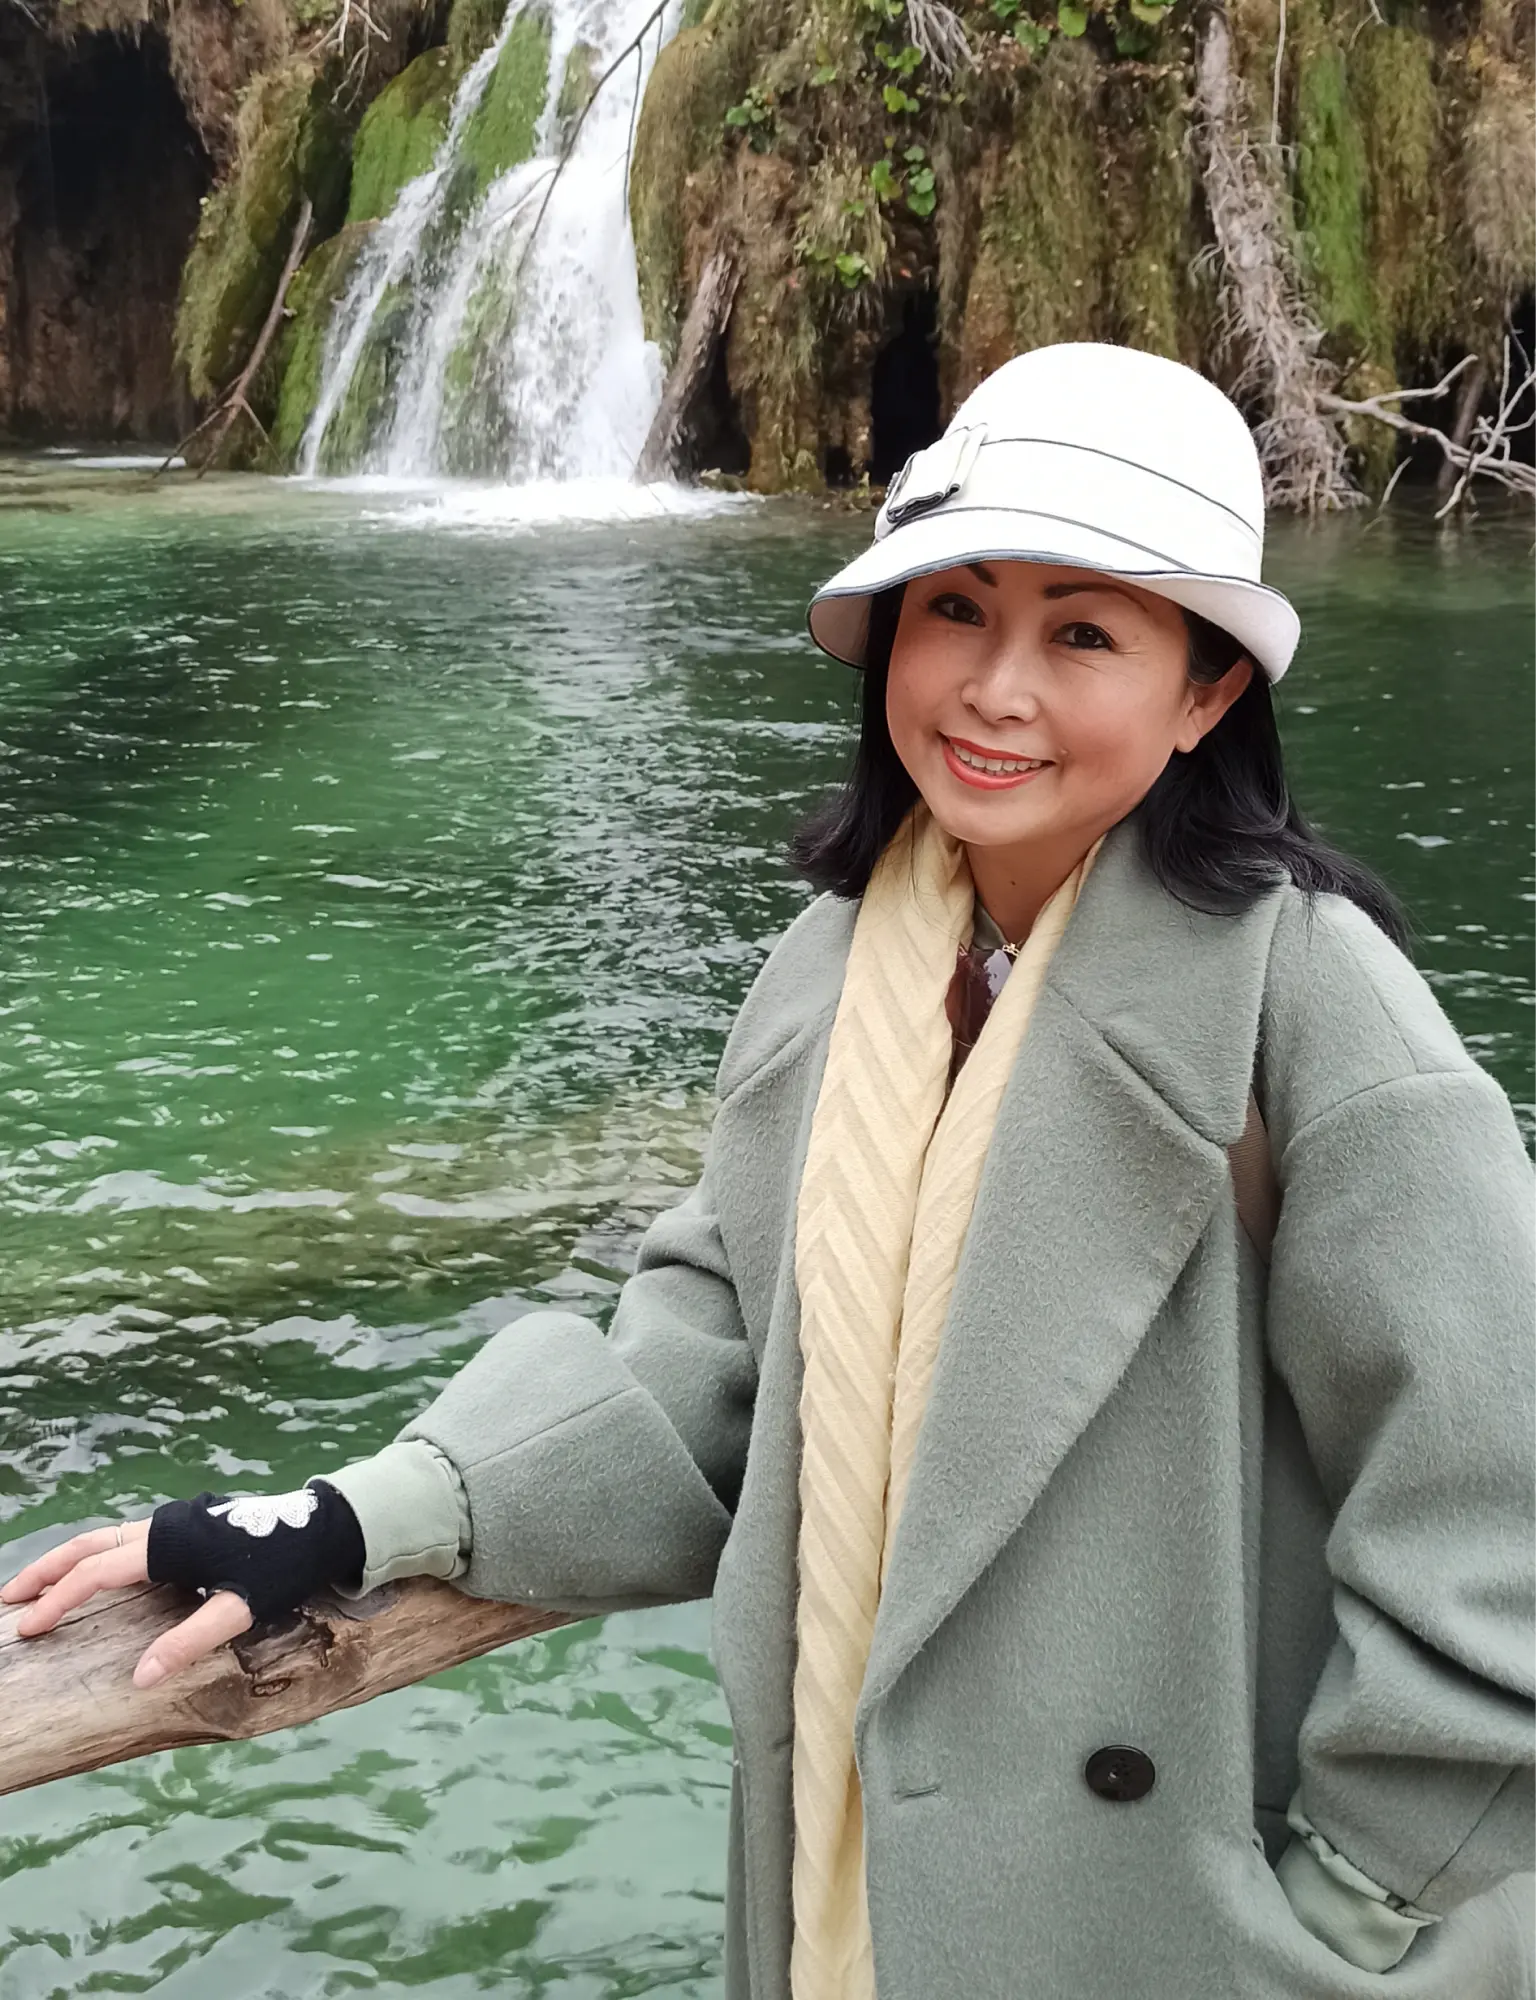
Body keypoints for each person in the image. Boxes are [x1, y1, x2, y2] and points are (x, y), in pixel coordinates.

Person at [8, 342, 1536, 2000]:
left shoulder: (1312, 1002)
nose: (995, 686)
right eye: (956, 607)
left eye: (1083, 631)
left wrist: (1350, 1912)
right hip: (858, 1913)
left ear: (1208, 694)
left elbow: (1490, 1503)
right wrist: (341, 1516)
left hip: (1194, 1940)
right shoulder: (839, 971)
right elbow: (717, 1366)